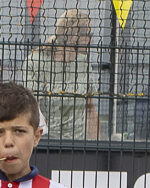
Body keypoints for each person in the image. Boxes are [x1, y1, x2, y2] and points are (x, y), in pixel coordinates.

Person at [23, 9, 101, 142]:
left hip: (78, 144)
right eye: (88, 35)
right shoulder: (35, 61)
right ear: (73, 36)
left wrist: (99, 146)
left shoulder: (83, 62)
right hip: (46, 143)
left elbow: (90, 108)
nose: (91, 39)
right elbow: (31, 108)